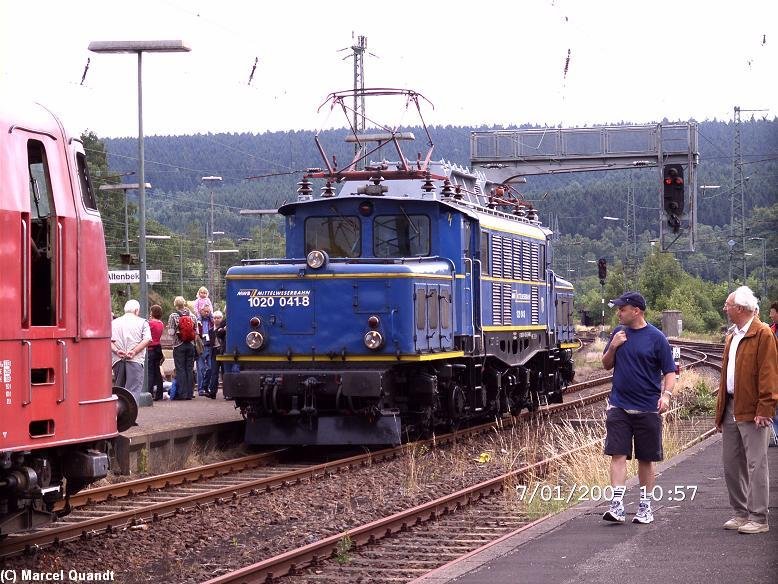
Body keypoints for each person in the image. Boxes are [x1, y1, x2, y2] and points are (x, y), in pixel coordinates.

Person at [600, 291, 676, 525]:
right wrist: (613, 346)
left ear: (636, 310)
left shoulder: (657, 338)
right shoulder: (618, 333)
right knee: (618, 454)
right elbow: (605, 365)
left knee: (646, 459)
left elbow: (670, 371)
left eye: (622, 309)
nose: (618, 312)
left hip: (647, 408)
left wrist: (666, 395)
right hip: (619, 406)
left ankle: (645, 506)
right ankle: (617, 505)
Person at [716, 286, 778, 534]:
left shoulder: (762, 334)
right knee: (731, 463)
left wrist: (766, 407)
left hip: (753, 409)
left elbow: (769, 374)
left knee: (756, 463)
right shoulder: (733, 335)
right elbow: (725, 377)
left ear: (740, 309)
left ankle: (759, 517)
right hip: (732, 405)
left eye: (727, 305)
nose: (725, 309)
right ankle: (740, 512)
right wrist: (721, 411)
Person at [111, 299, 152, 399]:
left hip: (118, 360)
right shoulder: (142, 322)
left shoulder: (114, 322)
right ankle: (130, 414)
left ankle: (118, 413)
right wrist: (134, 351)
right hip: (135, 360)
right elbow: (148, 339)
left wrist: (117, 351)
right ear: (136, 310)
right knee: (133, 391)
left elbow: (108, 341)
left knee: (119, 390)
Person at [168, 296, 196, 400]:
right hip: (191, 345)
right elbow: (196, 330)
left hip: (178, 345)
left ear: (175, 304)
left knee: (180, 369)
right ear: (184, 304)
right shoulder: (192, 316)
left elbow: (171, 332)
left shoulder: (173, 316)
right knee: (189, 369)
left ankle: (182, 394)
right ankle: (190, 393)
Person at [206, 310, 226, 399]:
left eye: (218, 318)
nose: (216, 320)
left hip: (223, 352)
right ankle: (213, 392)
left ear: (222, 318)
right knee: (214, 372)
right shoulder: (211, 330)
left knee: (225, 372)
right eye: (215, 318)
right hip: (214, 352)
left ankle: (227, 393)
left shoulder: (224, 329)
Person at [147, 304, 165, 401]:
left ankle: (149, 393)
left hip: (150, 349)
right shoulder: (161, 323)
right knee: (157, 371)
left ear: (152, 312)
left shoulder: (150, 323)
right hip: (158, 348)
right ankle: (159, 394)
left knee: (150, 372)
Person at [196, 303, 214, 396]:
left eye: (208, 311)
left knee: (211, 368)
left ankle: (207, 387)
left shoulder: (212, 321)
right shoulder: (197, 320)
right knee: (201, 368)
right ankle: (200, 389)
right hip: (201, 345)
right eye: (205, 311)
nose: (207, 313)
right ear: (201, 311)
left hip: (210, 345)